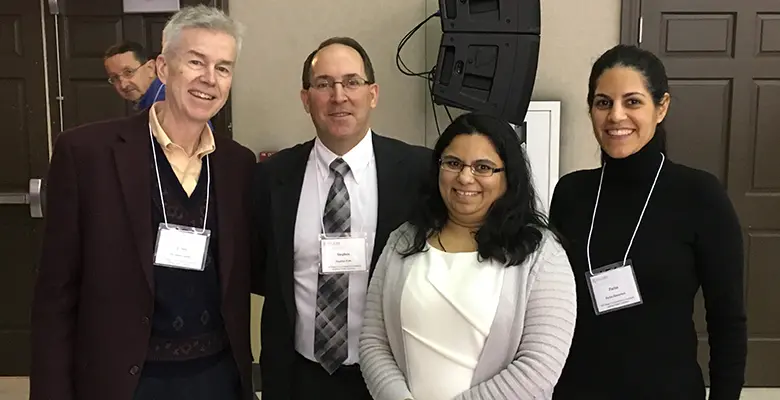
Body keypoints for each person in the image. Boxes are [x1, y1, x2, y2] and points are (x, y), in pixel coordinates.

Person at [30, 6, 256, 400]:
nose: (209, 79)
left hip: (217, 377)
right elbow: (55, 294)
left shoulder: (238, 164)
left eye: (223, 68)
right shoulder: (87, 154)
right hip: (124, 380)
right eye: (196, 62)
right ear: (162, 69)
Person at [549, 44, 747, 400]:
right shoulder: (571, 193)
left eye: (633, 102)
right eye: (603, 102)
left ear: (662, 107)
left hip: (666, 390)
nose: (616, 116)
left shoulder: (699, 195)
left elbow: (727, 320)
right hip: (576, 390)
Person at [250, 36, 431, 400]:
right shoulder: (273, 176)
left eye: (352, 82)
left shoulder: (419, 171)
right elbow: (260, 269)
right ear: (306, 99)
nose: (338, 96)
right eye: (323, 84)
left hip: (388, 377)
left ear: (373, 94)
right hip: (296, 377)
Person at [359, 112, 578, 400]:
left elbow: (538, 367)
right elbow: (373, 342)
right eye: (453, 163)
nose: (465, 177)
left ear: (508, 176)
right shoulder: (404, 239)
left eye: (483, 167)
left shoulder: (541, 254)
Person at [104, 41, 165, 110]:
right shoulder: (146, 103)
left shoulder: (166, 102)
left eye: (128, 72)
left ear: (150, 68)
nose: (123, 85)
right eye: (115, 77)